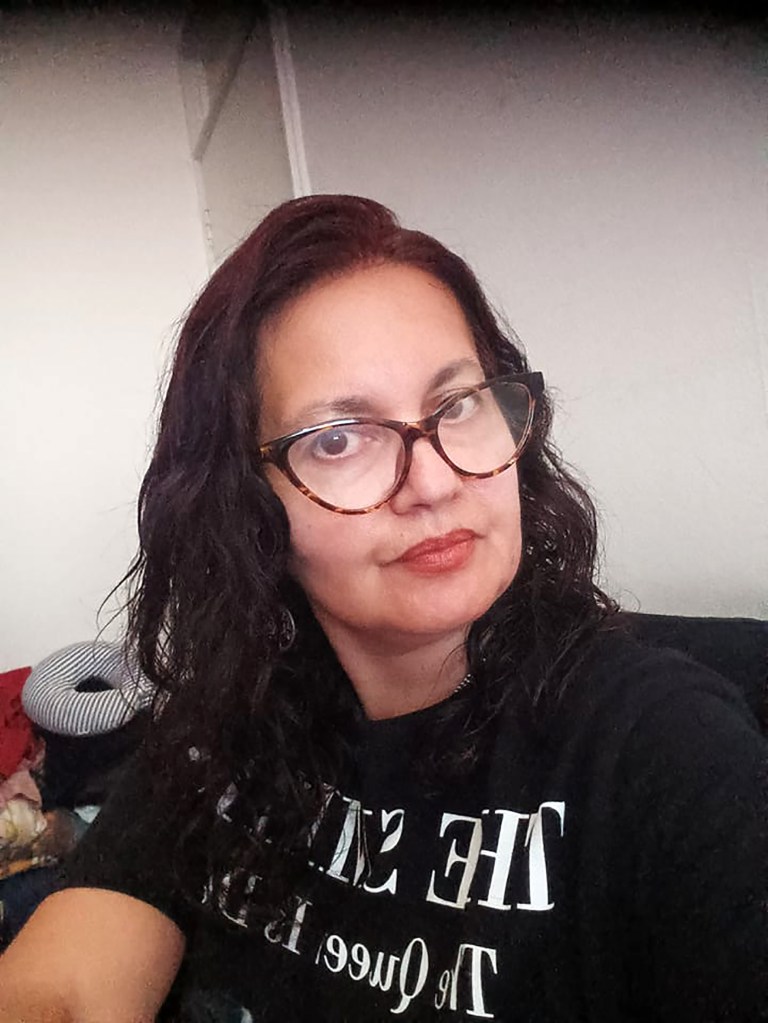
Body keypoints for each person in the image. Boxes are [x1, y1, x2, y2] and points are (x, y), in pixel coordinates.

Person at [0, 194, 765, 1022]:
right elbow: (68, 985)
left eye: (458, 403)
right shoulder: (223, 724)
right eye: (338, 437)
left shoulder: (665, 748)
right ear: (246, 502)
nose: (435, 481)